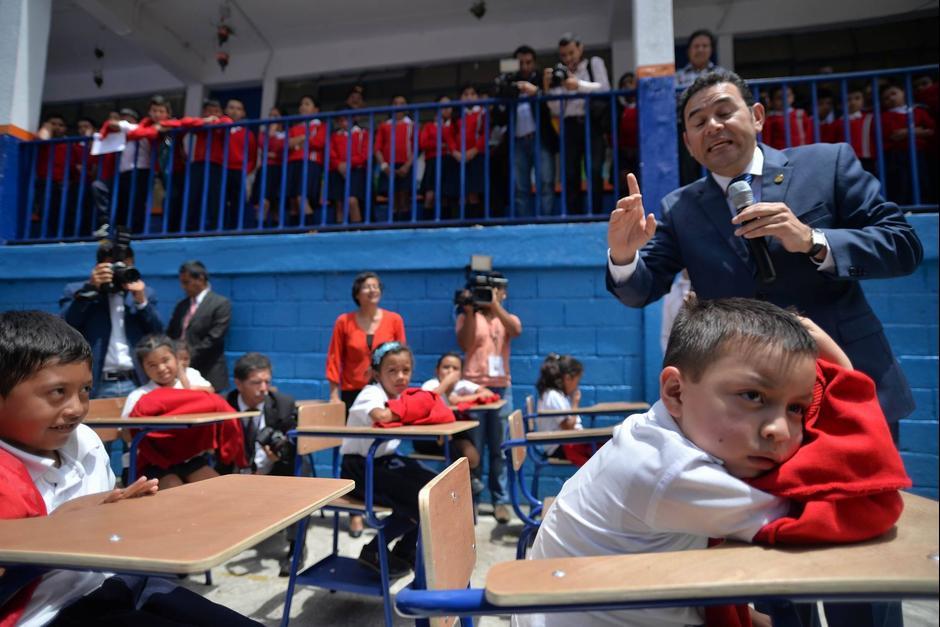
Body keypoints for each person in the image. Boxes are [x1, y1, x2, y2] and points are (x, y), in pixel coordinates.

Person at [518, 297, 907, 627]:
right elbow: (867, 507)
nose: (780, 430)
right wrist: (844, 372)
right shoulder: (674, 471)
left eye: (797, 408)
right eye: (752, 396)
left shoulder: (659, 429)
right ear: (675, 391)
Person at [605, 69, 923, 430]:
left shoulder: (826, 164)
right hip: (746, 407)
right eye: (699, 121)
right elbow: (641, 289)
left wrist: (813, 240)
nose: (712, 126)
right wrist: (623, 255)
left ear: (757, 117)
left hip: (844, 382)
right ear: (689, 142)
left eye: (724, 113)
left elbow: (903, 245)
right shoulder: (679, 210)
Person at [0, 310, 260, 627]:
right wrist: (50, 538)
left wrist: (130, 520)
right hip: (48, 613)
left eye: (84, 390)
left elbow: (110, 538)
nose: (77, 409)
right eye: (58, 392)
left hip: (119, 582)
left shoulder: (85, 442)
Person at [341, 342, 437, 578]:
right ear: (377, 374)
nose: (400, 377)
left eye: (406, 370)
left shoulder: (400, 395)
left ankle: (404, 551)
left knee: (436, 487)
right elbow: (381, 415)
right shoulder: (371, 393)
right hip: (359, 470)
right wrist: (414, 407)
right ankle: (372, 551)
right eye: (392, 371)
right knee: (418, 499)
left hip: (384, 461)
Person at [326, 271, 406, 537]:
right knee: (351, 452)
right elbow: (335, 356)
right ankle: (354, 514)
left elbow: (400, 355)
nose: (372, 290)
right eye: (366, 287)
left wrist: (398, 389)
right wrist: (334, 393)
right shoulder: (344, 321)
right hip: (352, 392)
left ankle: (380, 500)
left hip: (383, 393)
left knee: (382, 448)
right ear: (357, 293)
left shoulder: (394, 319)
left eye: (376, 286)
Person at [225, 352, 300, 576]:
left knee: (301, 476)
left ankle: (297, 547)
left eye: (267, 381)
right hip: (234, 470)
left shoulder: (283, 404)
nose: (264, 388)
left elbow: (296, 446)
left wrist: (282, 454)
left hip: (274, 469)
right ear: (238, 383)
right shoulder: (223, 404)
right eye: (256, 382)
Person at [60, 239, 163, 398]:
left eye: (125, 267)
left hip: (137, 382)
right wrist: (91, 289)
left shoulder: (145, 293)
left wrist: (142, 302)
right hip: (96, 383)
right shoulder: (77, 291)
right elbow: (66, 326)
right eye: (114, 267)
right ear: (100, 267)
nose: (119, 273)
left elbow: (157, 333)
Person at [456, 278, 521, 523]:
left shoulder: (506, 317)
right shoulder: (467, 316)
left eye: (496, 291)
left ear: (503, 293)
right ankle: (472, 501)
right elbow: (464, 343)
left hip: (501, 390)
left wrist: (495, 306)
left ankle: (500, 501)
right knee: (474, 449)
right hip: (474, 389)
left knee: (500, 449)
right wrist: (471, 309)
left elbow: (515, 331)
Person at [121, 334, 215, 488]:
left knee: (215, 486)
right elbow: (126, 434)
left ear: (176, 359)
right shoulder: (139, 396)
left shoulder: (190, 384)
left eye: (165, 360)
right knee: (174, 488)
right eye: (152, 365)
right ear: (143, 368)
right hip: (151, 463)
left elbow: (212, 399)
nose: (161, 368)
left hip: (189, 458)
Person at [544, 32, 610, 215]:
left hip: (592, 123)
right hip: (570, 125)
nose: (568, 58)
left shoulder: (593, 64)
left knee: (594, 170)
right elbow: (555, 108)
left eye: (571, 53)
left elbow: (604, 87)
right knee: (570, 173)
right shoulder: (560, 73)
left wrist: (579, 85)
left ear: (580, 48)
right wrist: (549, 87)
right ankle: (574, 215)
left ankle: (595, 214)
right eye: (564, 55)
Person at [500, 45, 559, 217]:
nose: (525, 66)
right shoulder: (508, 81)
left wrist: (537, 92)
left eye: (528, 62)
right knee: (520, 187)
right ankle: (524, 221)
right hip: (517, 140)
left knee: (546, 182)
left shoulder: (542, 78)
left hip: (541, 138)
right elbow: (499, 106)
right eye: (521, 63)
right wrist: (511, 90)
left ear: (534, 63)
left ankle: (545, 220)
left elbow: (553, 101)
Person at [415, 352, 484, 489]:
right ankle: (463, 483)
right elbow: (427, 400)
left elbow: (487, 393)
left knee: (472, 455)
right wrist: (446, 384)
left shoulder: (463, 385)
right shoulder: (431, 385)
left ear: (461, 373)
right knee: (451, 448)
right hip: (429, 434)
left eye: (455, 368)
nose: (450, 371)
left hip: (452, 430)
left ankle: (470, 477)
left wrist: (461, 400)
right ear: (437, 370)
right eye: (446, 367)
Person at [166, 260, 232, 392]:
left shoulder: (220, 304)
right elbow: (171, 333)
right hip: (182, 371)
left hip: (209, 369)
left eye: (186, 282)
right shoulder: (182, 305)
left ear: (201, 278)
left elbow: (214, 337)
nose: (183, 287)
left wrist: (186, 357)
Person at [676, 29, 727, 185]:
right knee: (688, 168)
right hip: (688, 126)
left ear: (711, 50)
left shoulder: (721, 73)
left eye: (705, 46)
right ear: (689, 51)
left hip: (717, 124)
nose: (700, 50)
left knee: (718, 162)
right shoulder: (678, 76)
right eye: (696, 46)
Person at [879, 81, 936, 205]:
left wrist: (905, 132)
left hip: (920, 153)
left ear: (903, 92)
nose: (891, 98)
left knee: (923, 180)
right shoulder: (885, 116)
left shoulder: (918, 111)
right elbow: (894, 136)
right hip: (898, 155)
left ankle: (925, 206)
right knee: (902, 184)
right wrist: (918, 130)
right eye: (886, 98)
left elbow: (931, 131)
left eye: (894, 93)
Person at [533, 353, 595, 466]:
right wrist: (575, 403)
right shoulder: (553, 395)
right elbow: (568, 427)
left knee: (604, 447)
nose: (577, 386)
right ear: (567, 378)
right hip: (561, 446)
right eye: (577, 381)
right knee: (601, 450)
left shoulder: (557, 395)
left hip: (566, 442)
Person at [286, 95, 327, 225]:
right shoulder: (294, 127)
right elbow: (287, 144)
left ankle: (311, 229)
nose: (303, 106)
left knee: (301, 196)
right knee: (293, 200)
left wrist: (299, 140)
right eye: (301, 104)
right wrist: (304, 138)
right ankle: (293, 233)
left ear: (316, 110)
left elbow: (319, 143)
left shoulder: (321, 126)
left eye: (307, 104)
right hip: (293, 164)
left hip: (310, 163)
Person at [375, 95, 415, 221]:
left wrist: (407, 166)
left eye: (402, 103)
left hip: (406, 165)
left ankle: (405, 225)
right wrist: (384, 166)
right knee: (392, 196)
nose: (398, 106)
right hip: (389, 166)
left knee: (404, 195)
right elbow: (377, 148)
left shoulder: (412, 125)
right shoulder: (384, 126)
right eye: (395, 103)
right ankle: (393, 224)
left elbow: (417, 147)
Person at [419, 95, 458, 219]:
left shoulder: (454, 126)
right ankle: (426, 227)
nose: (447, 109)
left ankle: (445, 225)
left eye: (449, 106)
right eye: (443, 106)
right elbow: (423, 143)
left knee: (446, 195)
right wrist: (442, 145)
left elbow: (456, 142)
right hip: (433, 162)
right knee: (430, 195)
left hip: (449, 162)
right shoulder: (429, 126)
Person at [221, 99, 258, 230]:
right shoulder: (219, 130)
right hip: (220, 171)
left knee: (237, 204)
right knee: (219, 202)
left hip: (238, 172)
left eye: (238, 108)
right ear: (225, 110)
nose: (234, 111)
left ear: (243, 113)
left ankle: (234, 230)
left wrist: (245, 171)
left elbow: (252, 157)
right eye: (231, 107)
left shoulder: (248, 134)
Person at [451, 84, 488, 214]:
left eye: (472, 94)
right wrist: (454, 151)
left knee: (474, 192)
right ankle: (461, 223)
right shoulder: (456, 115)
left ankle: (475, 223)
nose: (469, 97)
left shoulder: (482, 112)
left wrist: (475, 150)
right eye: (465, 94)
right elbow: (450, 135)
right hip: (459, 157)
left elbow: (486, 133)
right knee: (461, 192)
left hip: (476, 156)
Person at [328, 111, 368, 224]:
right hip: (337, 171)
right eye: (340, 120)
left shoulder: (362, 133)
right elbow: (330, 153)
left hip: (356, 170)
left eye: (345, 119)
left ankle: (357, 232)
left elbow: (364, 153)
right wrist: (338, 165)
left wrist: (349, 164)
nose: (343, 123)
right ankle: (340, 232)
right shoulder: (335, 136)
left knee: (352, 200)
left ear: (354, 118)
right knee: (339, 203)